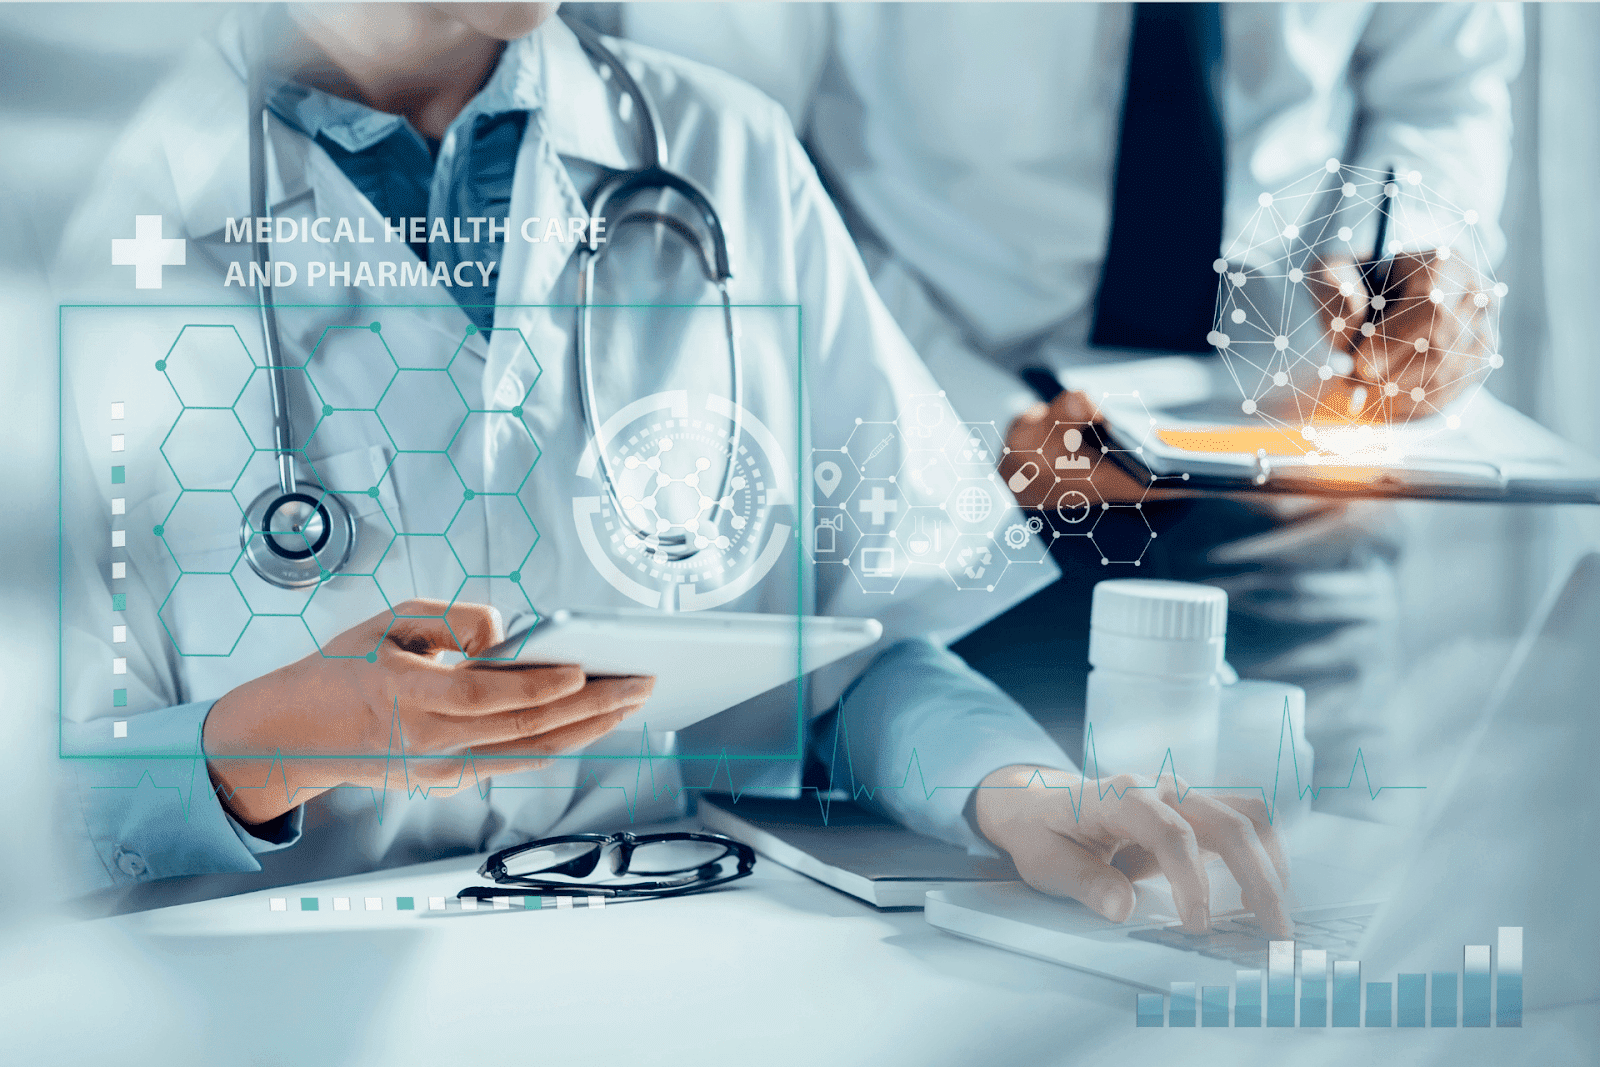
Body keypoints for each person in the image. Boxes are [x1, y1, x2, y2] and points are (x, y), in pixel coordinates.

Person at [56, 4, 1293, 934]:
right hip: (282, 1002)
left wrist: (1011, 789)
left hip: (693, 971)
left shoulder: (726, 151)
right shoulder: (81, 210)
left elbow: (854, 654)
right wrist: (261, 745)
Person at [613, 1, 1523, 805]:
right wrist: (969, 420)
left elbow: (1440, 80)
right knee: (1001, 929)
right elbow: (724, 149)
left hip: (1292, 495)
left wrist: (1410, 247)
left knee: (1333, 922)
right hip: (953, 511)